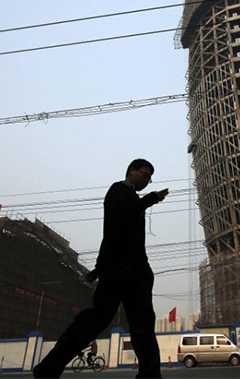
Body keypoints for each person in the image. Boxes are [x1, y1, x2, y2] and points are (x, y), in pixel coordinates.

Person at [33, 159, 169, 378]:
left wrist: (98, 268)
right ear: (131, 171)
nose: (147, 180)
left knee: (142, 323)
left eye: (149, 178)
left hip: (134, 270)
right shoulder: (118, 191)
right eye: (145, 175)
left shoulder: (133, 198)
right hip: (119, 271)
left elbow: (115, 236)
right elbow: (119, 221)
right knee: (96, 321)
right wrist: (152, 198)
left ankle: (150, 375)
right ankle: (48, 368)